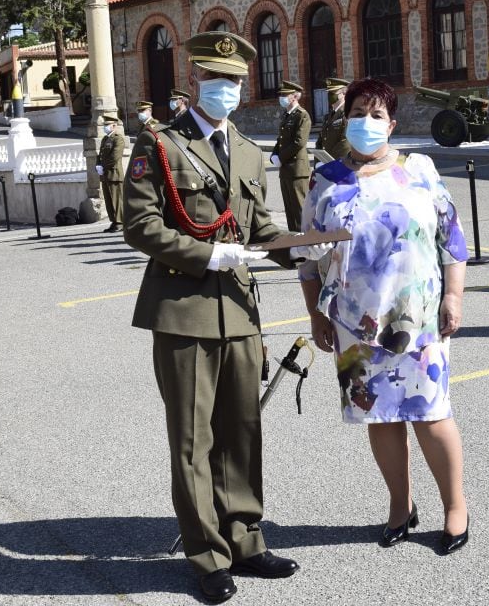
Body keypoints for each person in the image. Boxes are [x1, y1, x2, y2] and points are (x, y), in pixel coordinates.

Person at [122, 31, 300, 604]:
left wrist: (303, 247)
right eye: (217, 79)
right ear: (196, 79)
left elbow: (260, 228)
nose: (226, 89)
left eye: (236, 81)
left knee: (243, 433)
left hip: (241, 313)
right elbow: (140, 226)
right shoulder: (162, 145)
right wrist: (207, 254)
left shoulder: (248, 150)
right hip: (184, 312)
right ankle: (206, 556)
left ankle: (245, 541)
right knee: (193, 441)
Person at [296, 77, 471, 555]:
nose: (366, 123)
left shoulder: (419, 170)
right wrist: (316, 315)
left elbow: (451, 239)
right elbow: (308, 256)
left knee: (431, 415)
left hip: (416, 319)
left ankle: (455, 507)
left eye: (377, 115)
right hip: (352, 323)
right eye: (358, 113)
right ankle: (400, 506)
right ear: (345, 119)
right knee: (380, 418)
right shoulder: (326, 179)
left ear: (392, 124)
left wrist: (453, 297)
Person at [269, 80, 311, 231]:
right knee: (289, 209)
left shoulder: (302, 115)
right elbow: (281, 140)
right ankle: (294, 240)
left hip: (297, 170)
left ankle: (305, 242)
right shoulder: (286, 115)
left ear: (294, 96)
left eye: (284, 95)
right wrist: (274, 154)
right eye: (280, 95)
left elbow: (299, 141)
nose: (281, 97)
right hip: (285, 169)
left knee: (300, 209)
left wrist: (281, 157)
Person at [97, 114, 126, 233]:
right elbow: (100, 155)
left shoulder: (118, 138)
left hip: (114, 174)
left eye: (107, 125)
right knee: (109, 200)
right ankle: (114, 221)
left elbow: (115, 156)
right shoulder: (105, 139)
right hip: (105, 174)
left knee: (117, 199)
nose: (105, 127)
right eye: (104, 125)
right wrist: (97, 165)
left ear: (114, 126)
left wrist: (103, 166)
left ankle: (121, 222)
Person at [315, 77, 351, 162]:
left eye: (333, 92)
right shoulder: (328, 116)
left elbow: (345, 142)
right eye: (329, 92)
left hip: (339, 162)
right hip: (326, 163)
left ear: (344, 94)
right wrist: (318, 160)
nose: (330, 95)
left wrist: (329, 161)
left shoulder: (347, 113)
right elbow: (321, 141)